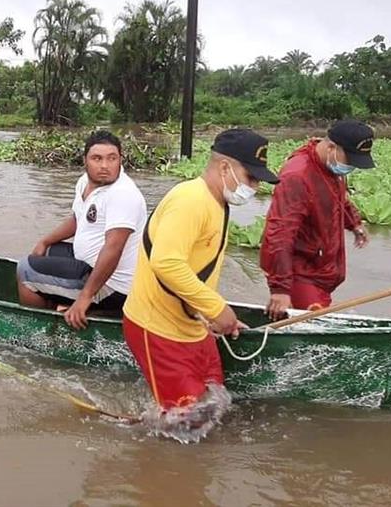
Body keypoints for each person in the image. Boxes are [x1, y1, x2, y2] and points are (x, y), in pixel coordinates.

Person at [123, 129, 280, 411]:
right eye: (251, 178)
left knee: (214, 401)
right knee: (185, 420)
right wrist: (217, 308)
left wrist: (215, 317)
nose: (255, 187)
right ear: (224, 167)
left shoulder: (217, 201)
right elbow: (166, 263)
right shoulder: (191, 200)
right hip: (158, 329)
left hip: (194, 325)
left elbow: (199, 269)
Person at [17, 130, 147, 330]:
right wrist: (45, 241)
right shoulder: (85, 182)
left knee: (25, 270)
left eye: (112, 158)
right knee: (50, 251)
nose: (105, 166)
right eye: (97, 158)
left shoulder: (123, 194)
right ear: (85, 160)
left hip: (113, 286)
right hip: (89, 264)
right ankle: (60, 307)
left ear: (120, 160)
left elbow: (114, 248)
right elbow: (78, 219)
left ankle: (41, 331)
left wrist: (85, 297)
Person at [261, 120, 374, 319]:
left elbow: (338, 199)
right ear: (331, 147)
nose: (351, 167)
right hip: (301, 273)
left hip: (321, 269)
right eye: (350, 161)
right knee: (316, 324)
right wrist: (280, 289)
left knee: (317, 322)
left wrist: (354, 223)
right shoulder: (297, 176)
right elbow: (279, 233)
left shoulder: (330, 168)